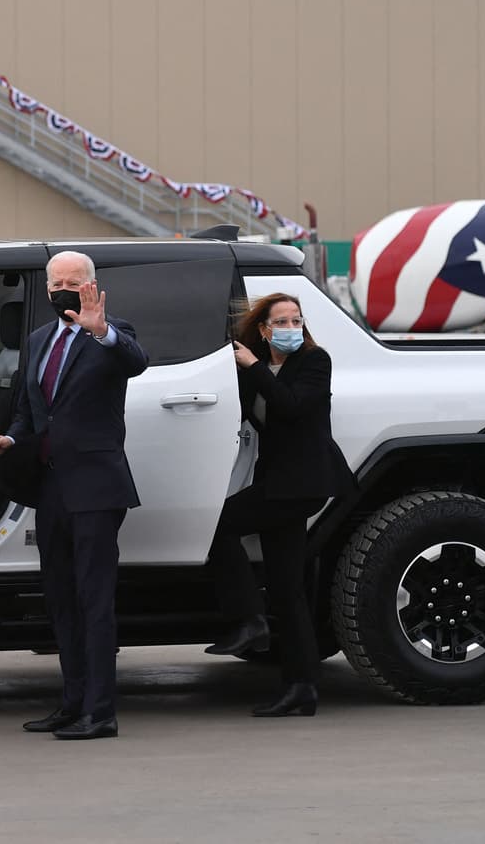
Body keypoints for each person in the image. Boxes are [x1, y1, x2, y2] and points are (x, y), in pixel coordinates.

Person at [0, 251, 148, 740]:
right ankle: (72, 702)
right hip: (51, 485)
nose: (62, 289)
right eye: (56, 281)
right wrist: (10, 439)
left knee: (94, 600)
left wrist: (102, 331)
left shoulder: (112, 333)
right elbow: (30, 413)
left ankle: (101, 712)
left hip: (96, 486)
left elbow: (135, 364)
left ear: (92, 286)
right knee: (60, 600)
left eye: (72, 281)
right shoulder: (39, 340)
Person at [204, 292, 355, 717]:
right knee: (288, 591)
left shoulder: (314, 362)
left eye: (296, 320)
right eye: (281, 322)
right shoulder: (254, 371)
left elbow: (291, 408)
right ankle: (301, 687)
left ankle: (249, 619)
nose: (291, 328)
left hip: (305, 482)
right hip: (277, 482)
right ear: (264, 330)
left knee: (221, 527)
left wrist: (253, 366)